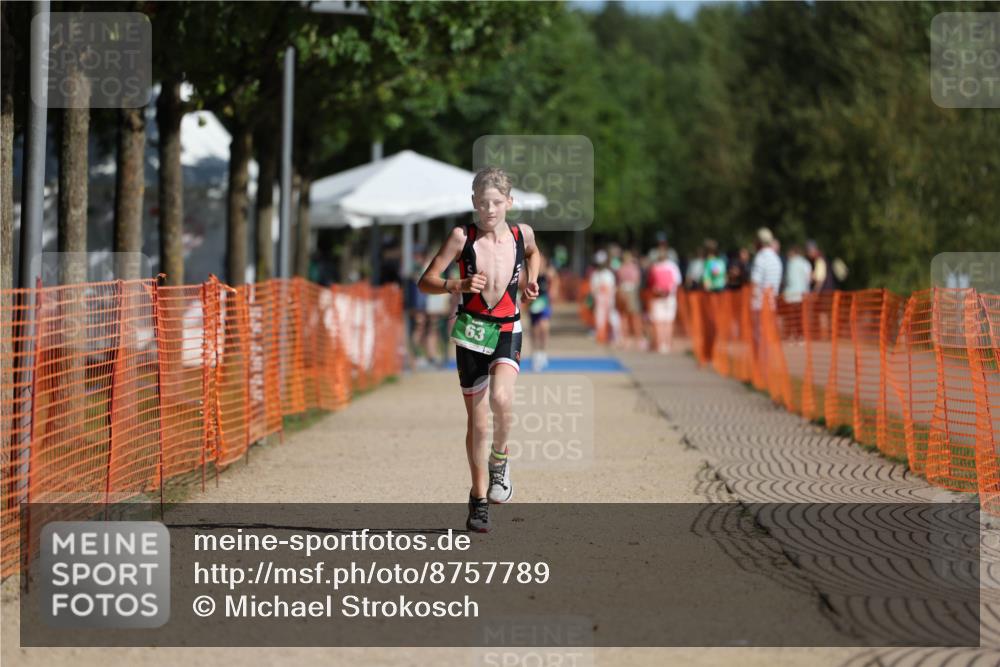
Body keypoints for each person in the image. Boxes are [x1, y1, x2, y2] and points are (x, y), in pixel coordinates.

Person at [418, 167, 540, 533]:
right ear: (474, 202)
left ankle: (499, 461)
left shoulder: (522, 234)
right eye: (483, 203)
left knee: (502, 399)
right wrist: (458, 283)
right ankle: (479, 497)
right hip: (472, 330)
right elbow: (426, 282)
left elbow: (535, 255)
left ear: (509, 202)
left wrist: (532, 281)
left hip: (506, 327)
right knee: (479, 420)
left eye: (497, 203)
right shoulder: (461, 237)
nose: (490, 210)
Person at [750, 227, 783, 367]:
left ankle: (760, 366)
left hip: (759, 304)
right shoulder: (776, 259)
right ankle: (766, 364)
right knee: (767, 335)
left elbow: (754, 283)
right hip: (771, 303)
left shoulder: (760, 258)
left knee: (758, 336)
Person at [647, 245, 682, 353]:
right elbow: (678, 281)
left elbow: (650, 283)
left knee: (659, 322)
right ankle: (667, 344)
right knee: (668, 321)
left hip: (657, 297)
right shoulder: (673, 267)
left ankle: (660, 344)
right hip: (670, 297)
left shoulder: (655, 267)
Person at [529, 252, 556, 371]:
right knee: (535, 329)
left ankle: (543, 352)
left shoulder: (549, 273)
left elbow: (555, 285)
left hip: (544, 302)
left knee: (544, 326)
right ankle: (536, 354)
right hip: (534, 303)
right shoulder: (530, 273)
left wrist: (553, 295)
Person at [615, 250, 644, 350]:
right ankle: (638, 340)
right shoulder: (633, 268)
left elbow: (619, 281)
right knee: (635, 317)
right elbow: (637, 280)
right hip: (631, 293)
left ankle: (626, 340)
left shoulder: (621, 268)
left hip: (623, 292)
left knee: (624, 318)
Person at [589, 249, 618, 344]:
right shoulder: (595, 274)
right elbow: (593, 289)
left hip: (608, 300)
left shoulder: (608, 274)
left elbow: (612, 288)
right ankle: (601, 336)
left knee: (612, 317)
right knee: (599, 318)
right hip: (599, 300)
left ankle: (613, 336)